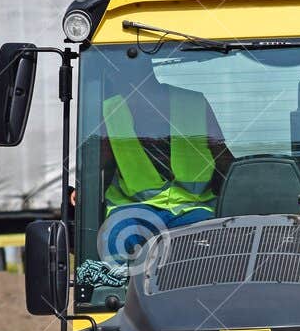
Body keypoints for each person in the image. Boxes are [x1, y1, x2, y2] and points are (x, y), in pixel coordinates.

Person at [97, 62, 234, 262]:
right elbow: (98, 165)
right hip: (134, 208)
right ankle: (118, 291)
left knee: (217, 244)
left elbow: (222, 156)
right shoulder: (110, 111)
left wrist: (245, 187)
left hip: (193, 208)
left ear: (148, 73)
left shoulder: (193, 103)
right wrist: (79, 188)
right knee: (115, 238)